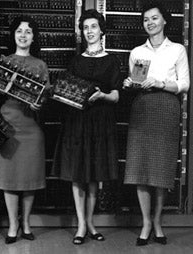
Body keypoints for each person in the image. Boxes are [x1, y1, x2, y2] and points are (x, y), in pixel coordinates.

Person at [51, 9, 121, 245]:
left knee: (94, 175)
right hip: (76, 120)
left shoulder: (112, 60)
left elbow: (116, 96)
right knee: (77, 174)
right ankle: (81, 224)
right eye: (85, 27)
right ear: (81, 32)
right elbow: (65, 93)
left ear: (102, 30)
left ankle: (90, 223)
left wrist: (102, 96)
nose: (89, 31)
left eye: (93, 27)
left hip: (100, 121)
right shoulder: (76, 60)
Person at [123, 1, 190, 246]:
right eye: (145, 20)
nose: (149, 23)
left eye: (154, 18)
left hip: (166, 108)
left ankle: (158, 221)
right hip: (142, 108)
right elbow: (135, 80)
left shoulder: (177, 50)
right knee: (140, 168)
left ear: (164, 21)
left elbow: (184, 84)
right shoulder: (137, 52)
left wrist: (161, 83)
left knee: (160, 170)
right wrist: (130, 84)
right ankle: (146, 223)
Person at [0, 16, 49, 244]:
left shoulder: (40, 65)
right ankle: (13, 224)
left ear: (33, 37)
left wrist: (39, 104)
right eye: (19, 31)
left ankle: (26, 223)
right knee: (9, 178)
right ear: (13, 35)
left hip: (32, 128)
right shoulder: (3, 62)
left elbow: (45, 99)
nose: (23, 35)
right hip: (8, 127)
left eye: (28, 32)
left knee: (30, 179)